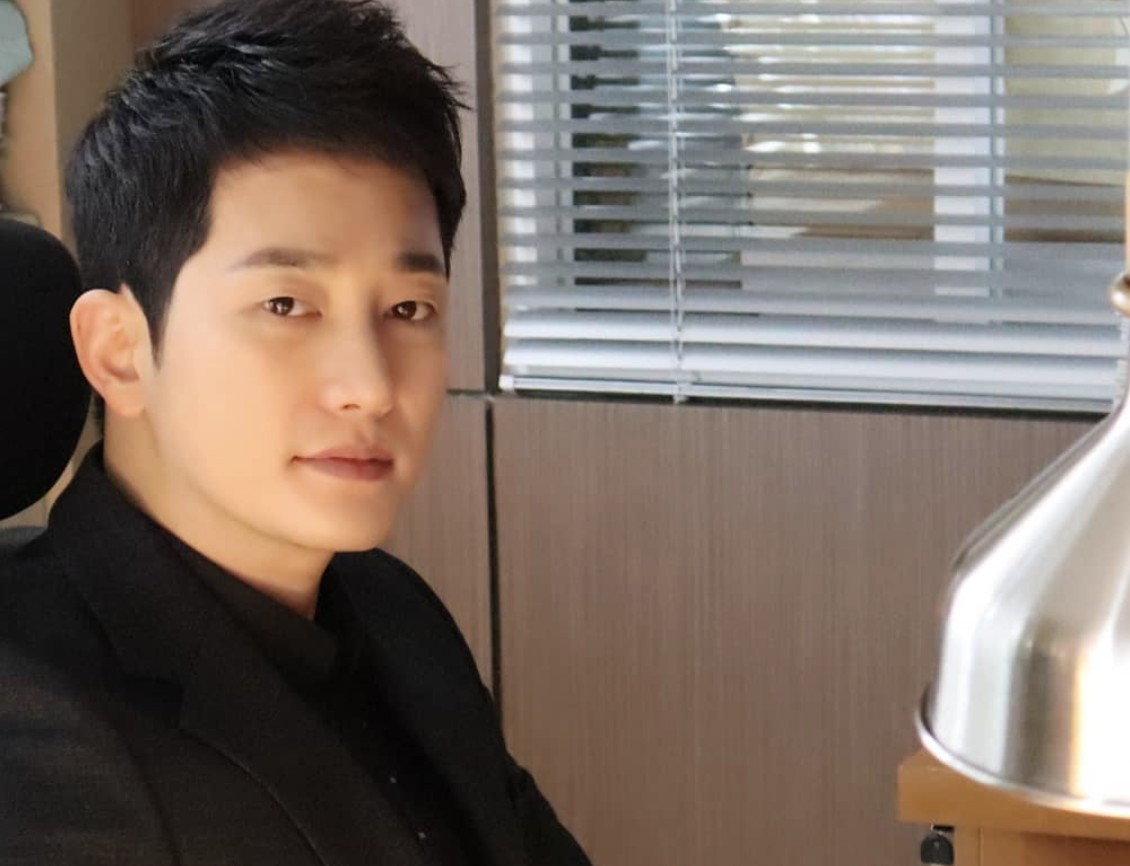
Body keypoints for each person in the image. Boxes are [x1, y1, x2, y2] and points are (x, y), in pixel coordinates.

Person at [0, 1, 593, 864]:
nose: (371, 386)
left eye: (408, 309)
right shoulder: (35, 735)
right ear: (119, 352)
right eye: (285, 305)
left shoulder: (392, 609)